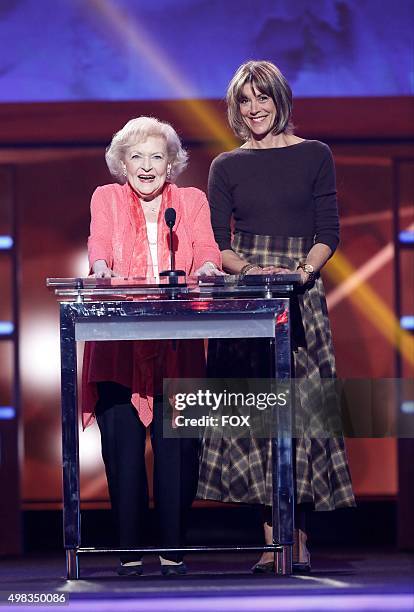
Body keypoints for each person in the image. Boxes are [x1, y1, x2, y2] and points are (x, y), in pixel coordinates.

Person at [197, 60, 355, 572]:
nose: (254, 109)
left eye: (262, 98)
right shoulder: (226, 165)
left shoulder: (315, 154)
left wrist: (302, 272)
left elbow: (329, 230)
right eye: (244, 100)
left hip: (301, 287)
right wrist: (252, 271)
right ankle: (270, 538)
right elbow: (218, 244)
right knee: (257, 413)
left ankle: (298, 538)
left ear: (280, 100)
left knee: (301, 412)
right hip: (247, 291)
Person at [81, 116, 222, 576]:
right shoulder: (106, 197)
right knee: (122, 454)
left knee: (177, 453)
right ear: (122, 163)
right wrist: (100, 267)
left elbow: (207, 249)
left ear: (172, 164)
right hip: (118, 346)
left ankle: (173, 551)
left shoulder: (191, 201)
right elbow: (99, 243)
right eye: (137, 157)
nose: (146, 167)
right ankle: (128, 551)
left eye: (156, 157)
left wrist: (207, 270)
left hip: (176, 345)